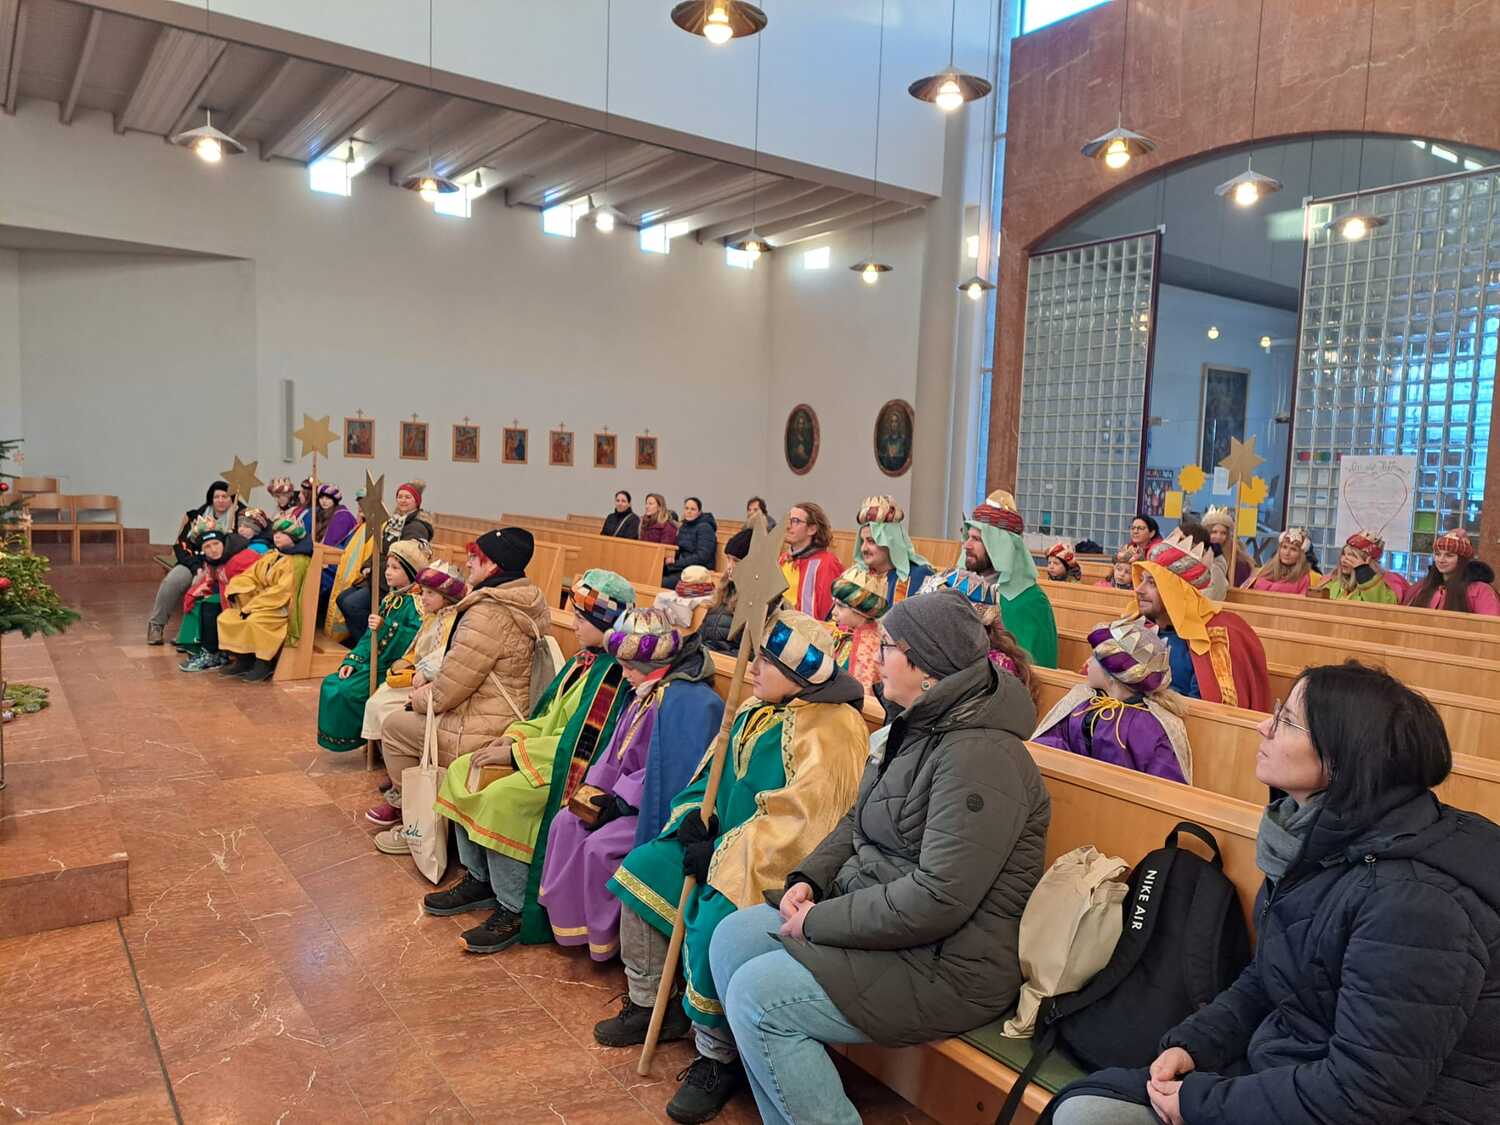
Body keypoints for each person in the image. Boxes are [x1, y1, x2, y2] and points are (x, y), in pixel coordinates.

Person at [1046, 662, 1500, 1125]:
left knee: (1087, 1116)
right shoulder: (1319, 842)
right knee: (1087, 1104)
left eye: (1286, 721)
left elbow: (1368, 1091)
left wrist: (1202, 1103)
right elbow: (1273, 976)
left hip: (1395, 1110)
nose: (1263, 726)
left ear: (1341, 757)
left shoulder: (1415, 905)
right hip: (1295, 1071)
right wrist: (1197, 1042)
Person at [710, 588, 1051, 1125]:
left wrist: (819, 921)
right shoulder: (921, 723)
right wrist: (809, 880)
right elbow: (858, 819)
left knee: (760, 999)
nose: (875, 656)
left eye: (888, 646)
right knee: (731, 938)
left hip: (949, 963)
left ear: (926, 667)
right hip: (888, 928)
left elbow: (939, 897)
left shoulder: (982, 756)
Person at [599, 610, 868, 1123]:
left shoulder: (833, 728)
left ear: (798, 671)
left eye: (765, 661)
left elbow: (805, 824)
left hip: (769, 866)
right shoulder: (754, 707)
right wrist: (694, 820)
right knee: (645, 866)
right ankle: (652, 1000)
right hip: (722, 842)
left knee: (716, 917)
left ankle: (717, 1055)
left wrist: (721, 853)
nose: (752, 670)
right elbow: (712, 779)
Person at [419, 569, 636, 947]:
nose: (573, 623)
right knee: (461, 768)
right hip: (540, 753)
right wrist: (512, 737)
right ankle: (479, 878)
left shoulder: (614, 675)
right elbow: (547, 718)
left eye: (582, 618)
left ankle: (513, 906)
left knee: (501, 799)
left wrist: (515, 754)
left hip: (567, 769)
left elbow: (581, 744)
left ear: (605, 622)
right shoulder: (584, 660)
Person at [538, 608, 724, 959]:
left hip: (652, 810)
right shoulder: (645, 691)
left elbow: (675, 773)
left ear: (651, 665)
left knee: (600, 847)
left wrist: (622, 803)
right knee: (566, 822)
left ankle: (606, 941)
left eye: (628, 668)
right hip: (625, 799)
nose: (623, 676)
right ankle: (572, 926)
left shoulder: (692, 702)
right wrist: (598, 793)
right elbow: (617, 751)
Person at [369, 528, 540, 851]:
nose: (468, 562)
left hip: (479, 725)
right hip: (500, 711)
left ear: (493, 565)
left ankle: (419, 825)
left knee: (394, 726)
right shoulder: (525, 599)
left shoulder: (488, 613)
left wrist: (418, 699)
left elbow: (447, 691)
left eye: (476, 557)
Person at [1032, 616, 1191, 783]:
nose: (1087, 662)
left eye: (1094, 657)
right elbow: (1052, 739)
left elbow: (1163, 784)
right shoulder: (1083, 701)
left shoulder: (1148, 726)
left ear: (1113, 675)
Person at [1134, 530, 1271, 710]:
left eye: (1152, 583)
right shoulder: (1141, 627)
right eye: (1142, 580)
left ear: (1176, 591)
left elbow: (1209, 714)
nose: (1138, 589)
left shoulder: (1216, 638)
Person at [315, 540, 428, 755]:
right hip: (372, 660)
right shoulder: (389, 599)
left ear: (411, 573)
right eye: (388, 567)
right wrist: (353, 660)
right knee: (332, 683)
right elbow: (369, 637)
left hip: (390, 666)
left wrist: (385, 626)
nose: (388, 572)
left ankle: (369, 739)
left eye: (395, 568)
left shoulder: (416, 604)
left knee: (347, 692)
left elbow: (413, 640)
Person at [924, 490, 1059, 669]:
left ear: (1001, 547)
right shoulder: (958, 586)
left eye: (976, 539)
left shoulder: (1030, 601)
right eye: (968, 537)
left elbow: (1033, 669)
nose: (966, 545)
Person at [359, 561, 467, 762]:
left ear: (447, 597)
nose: (423, 597)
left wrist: (421, 676)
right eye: (423, 592)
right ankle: (385, 752)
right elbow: (416, 651)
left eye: (430, 593)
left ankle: (399, 755)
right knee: (376, 699)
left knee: (383, 707)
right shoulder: (431, 617)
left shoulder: (452, 622)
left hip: (430, 684)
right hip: (415, 677)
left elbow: (445, 660)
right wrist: (403, 665)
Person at [331, 480, 435, 646]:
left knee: (352, 605)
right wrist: (367, 565)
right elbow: (380, 547)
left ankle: (371, 643)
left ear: (417, 502)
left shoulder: (417, 527)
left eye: (408, 497)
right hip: (378, 575)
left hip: (393, 581)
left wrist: (378, 569)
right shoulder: (394, 522)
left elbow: (405, 559)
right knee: (342, 599)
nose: (403, 500)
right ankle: (361, 637)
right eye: (400, 496)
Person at [148, 479, 242, 645]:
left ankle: (187, 633)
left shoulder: (238, 519)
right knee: (172, 581)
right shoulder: (195, 517)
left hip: (217, 566)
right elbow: (181, 546)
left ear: (232, 499)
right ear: (211, 499)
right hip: (192, 562)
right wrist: (196, 567)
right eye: (217, 497)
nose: (221, 500)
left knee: (198, 585)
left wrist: (207, 568)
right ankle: (156, 625)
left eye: (225, 496)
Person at [215, 517, 306, 682]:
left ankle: (264, 663)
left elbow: (282, 591)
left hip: (281, 607)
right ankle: (244, 659)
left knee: (255, 621)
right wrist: (236, 588)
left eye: (283, 533)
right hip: (261, 603)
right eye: (276, 532)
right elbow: (250, 575)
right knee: (227, 617)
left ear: (293, 537)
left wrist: (252, 606)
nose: (277, 536)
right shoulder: (272, 555)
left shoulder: (296, 561)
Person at [175, 524, 251, 671]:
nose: (213, 550)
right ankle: (203, 649)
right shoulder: (214, 560)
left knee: (210, 604)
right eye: (207, 547)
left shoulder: (240, 557)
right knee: (198, 600)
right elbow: (211, 580)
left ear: (223, 542)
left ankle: (213, 653)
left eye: (216, 544)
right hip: (230, 596)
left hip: (245, 601)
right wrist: (193, 593)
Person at [853, 495, 932, 605]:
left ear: (892, 543)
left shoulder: (919, 577)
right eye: (862, 541)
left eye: (871, 541)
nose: (863, 548)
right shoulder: (855, 575)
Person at [1403, 528, 1500, 615]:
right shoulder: (1423, 587)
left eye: (1449, 555)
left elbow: (1490, 625)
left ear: (1462, 560)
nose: (1441, 560)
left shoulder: (1480, 591)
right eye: (1437, 554)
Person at [828, 564, 888, 693]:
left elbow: (864, 693)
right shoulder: (848, 633)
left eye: (840, 606)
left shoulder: (870, 646)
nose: (833, 612)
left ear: (861, 611)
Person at [779, 501, 842, 621]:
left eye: (795, 521)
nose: (788, 526)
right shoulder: (783, 559)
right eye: (788, 520)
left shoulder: (826, 563)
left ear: (812, 529)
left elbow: (828, 614)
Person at [700, 527, 754, 654]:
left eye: (736, 561)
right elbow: (702, 634)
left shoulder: (757, 601)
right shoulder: (725, 590)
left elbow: (750, 653)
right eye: (728, 559)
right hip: (707, 654)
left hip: (726, 661)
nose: (729, 566)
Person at [1320, 529, 1400, 604]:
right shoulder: (1332, 582)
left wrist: (1363, 572)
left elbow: (1384, 606)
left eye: (1351, 555)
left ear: (1368, 561)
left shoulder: (1385, 586)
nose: (1343, 560)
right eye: (1343, 554)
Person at [1247, 527, 1319, 595]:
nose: (1287, 553)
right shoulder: (1264, 570)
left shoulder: (1304, 578)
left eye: (1293, 549)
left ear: (1301, 555)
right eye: (1284, 547)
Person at [664, 497, 718, 586]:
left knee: (662, 582)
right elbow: (679, 549)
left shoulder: (705, 528)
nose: (689, 511)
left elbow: (702, 556)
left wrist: (677, 563)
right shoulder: (684, 526)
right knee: (655, 574)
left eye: (693, 509)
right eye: (687, 508)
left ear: (699, 512)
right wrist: (671, 558)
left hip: (698, 570)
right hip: (683, 567)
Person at [1201, 506, 1253, 588]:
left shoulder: (1238, 562)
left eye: (1223, 533)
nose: (1218, 536)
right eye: (1214, 532)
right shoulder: (1198, 552)